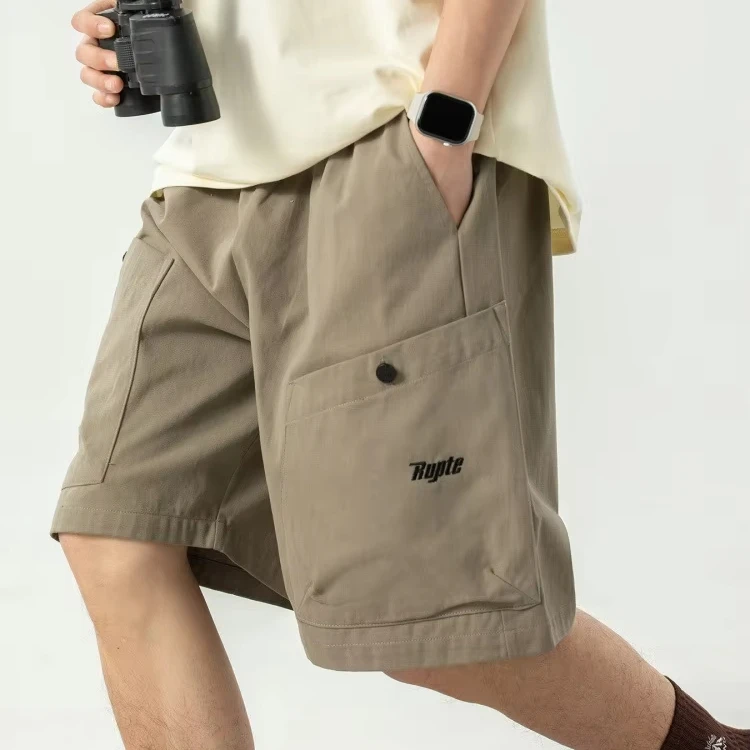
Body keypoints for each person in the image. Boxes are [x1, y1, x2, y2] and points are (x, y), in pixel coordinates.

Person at [52, 1, 747, 749]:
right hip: (205, 172)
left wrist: (445, 122)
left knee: (436, 617)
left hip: (386, 142)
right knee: (118, 530)